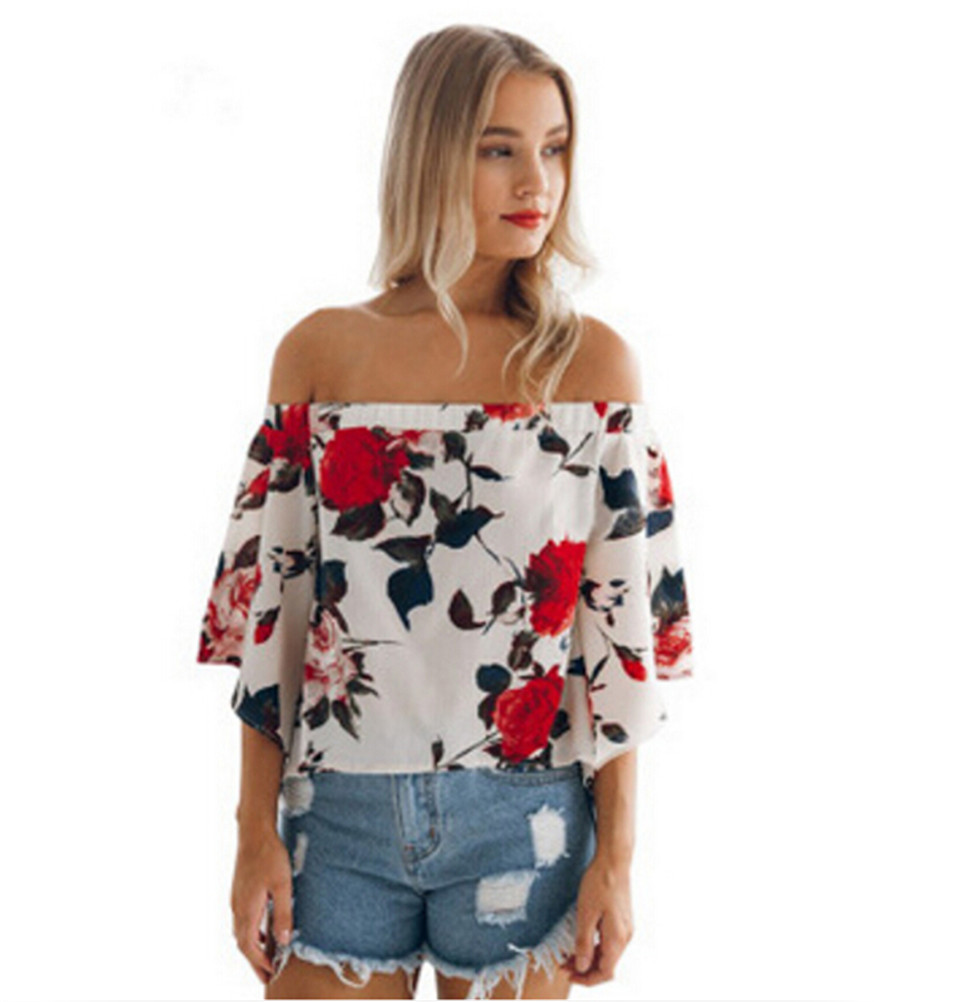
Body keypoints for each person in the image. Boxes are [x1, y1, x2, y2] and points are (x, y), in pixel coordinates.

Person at [196, 23, 693, 1001]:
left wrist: (618, 860)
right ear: (428, 153)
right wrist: (253, 833)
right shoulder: (321, 355)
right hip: (336, 818)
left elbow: (619, 643)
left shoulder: (591, 368)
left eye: (554, 148)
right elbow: (273, 626)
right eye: (499, 149)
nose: (536, 182)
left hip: (527, 820)